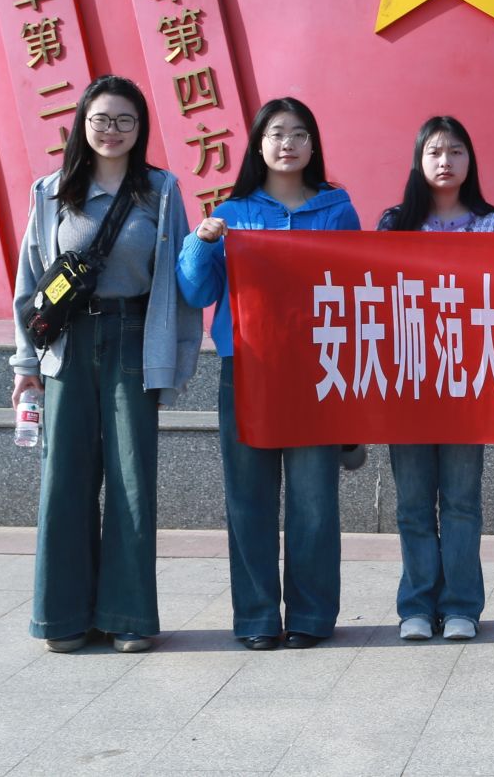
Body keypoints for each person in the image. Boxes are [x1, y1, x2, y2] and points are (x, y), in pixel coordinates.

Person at [9, 74, 201, 653]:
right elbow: (30, 281)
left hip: (133, 340)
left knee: (131, 480)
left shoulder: (162, 191)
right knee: (64, 478)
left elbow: (177, 284)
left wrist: (176, 364)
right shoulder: (50, 191)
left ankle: (128, 615)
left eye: (124, 120)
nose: (111, 131)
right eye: (100, 119)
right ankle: (62, 616)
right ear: (82, 125)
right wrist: (25, 363)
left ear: (140, 128)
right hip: (67, 346)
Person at [177, 97, 360, 651]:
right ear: (259, 144)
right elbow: (197, 292)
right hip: (248, 372)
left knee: (314, 502)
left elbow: (357, 290)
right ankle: (256, 617)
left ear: (313, 145)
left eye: (299, 134)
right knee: (249, 499)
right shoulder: (231, 214)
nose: (288, 144)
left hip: (316, 372)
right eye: (277, 133)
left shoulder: (337, 210)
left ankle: (311, 616)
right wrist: (200, 242)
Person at [377, 115, 494, 642]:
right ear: (418, 160)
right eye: (434, 152)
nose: (445, 161)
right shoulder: (394, 224)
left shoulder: (492, 225)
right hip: (408, 381)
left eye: (455, 151)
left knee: (460, 502)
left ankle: (461, 607)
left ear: (470, 160)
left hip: (466, 384)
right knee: (413, 504)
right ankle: (415, 605)